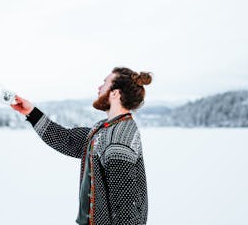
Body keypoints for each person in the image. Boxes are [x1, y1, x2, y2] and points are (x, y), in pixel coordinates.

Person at [11, 66, 152, 225]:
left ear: (115, 93)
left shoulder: (118, 138)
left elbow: (126, 208)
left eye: (104, 83)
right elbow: (67, 140)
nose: (99, 87)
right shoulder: (105, 129)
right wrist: (31, 112)